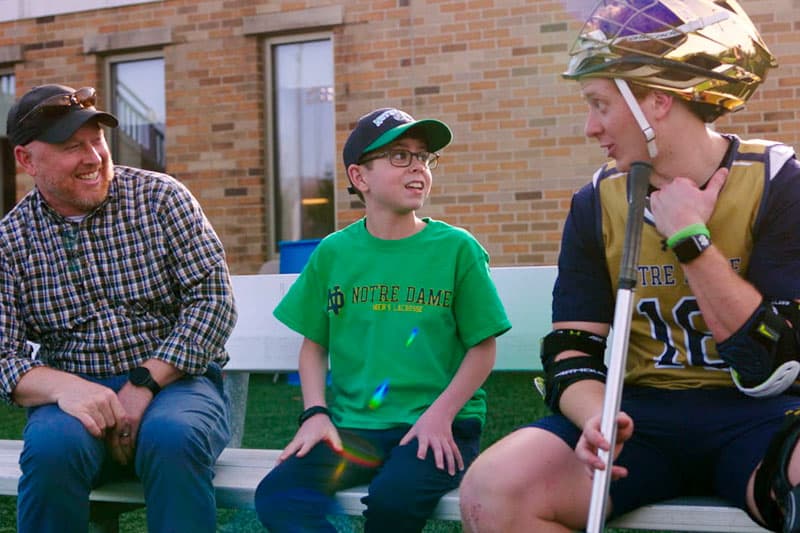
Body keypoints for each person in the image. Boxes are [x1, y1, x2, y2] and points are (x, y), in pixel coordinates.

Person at [459, 1, 800, 532]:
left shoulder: (779, 181)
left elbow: (775, 361)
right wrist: (595, 414)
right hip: (639, 420)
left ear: (657, 102)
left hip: (761, 418)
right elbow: (571, 350)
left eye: (599, 104)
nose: (590, 127)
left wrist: (691, 241)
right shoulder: (597, 201)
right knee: (493, 493)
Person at [254, 107, 511, 532]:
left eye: (424, 157)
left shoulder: (456, 249)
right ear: (360, 177)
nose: (417, 167)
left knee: (393, 501)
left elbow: (483, 347)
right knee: (280, 494)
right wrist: (315, 413)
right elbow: (314, 345)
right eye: (399, 156)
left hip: (436, 425)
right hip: (353, 427)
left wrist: (441, 414)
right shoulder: (335, 253)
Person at [1, 84, 237, 533]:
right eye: (72, 146)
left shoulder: (161, 198)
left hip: (176, 384)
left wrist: (143, 383)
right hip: (71, 393)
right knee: (52, 451)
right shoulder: (10, 241)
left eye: (97, 140)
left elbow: (213, 304)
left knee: (174, 438)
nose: (93, 157)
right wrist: (69, 390)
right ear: (27, 160)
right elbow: (2, 355)